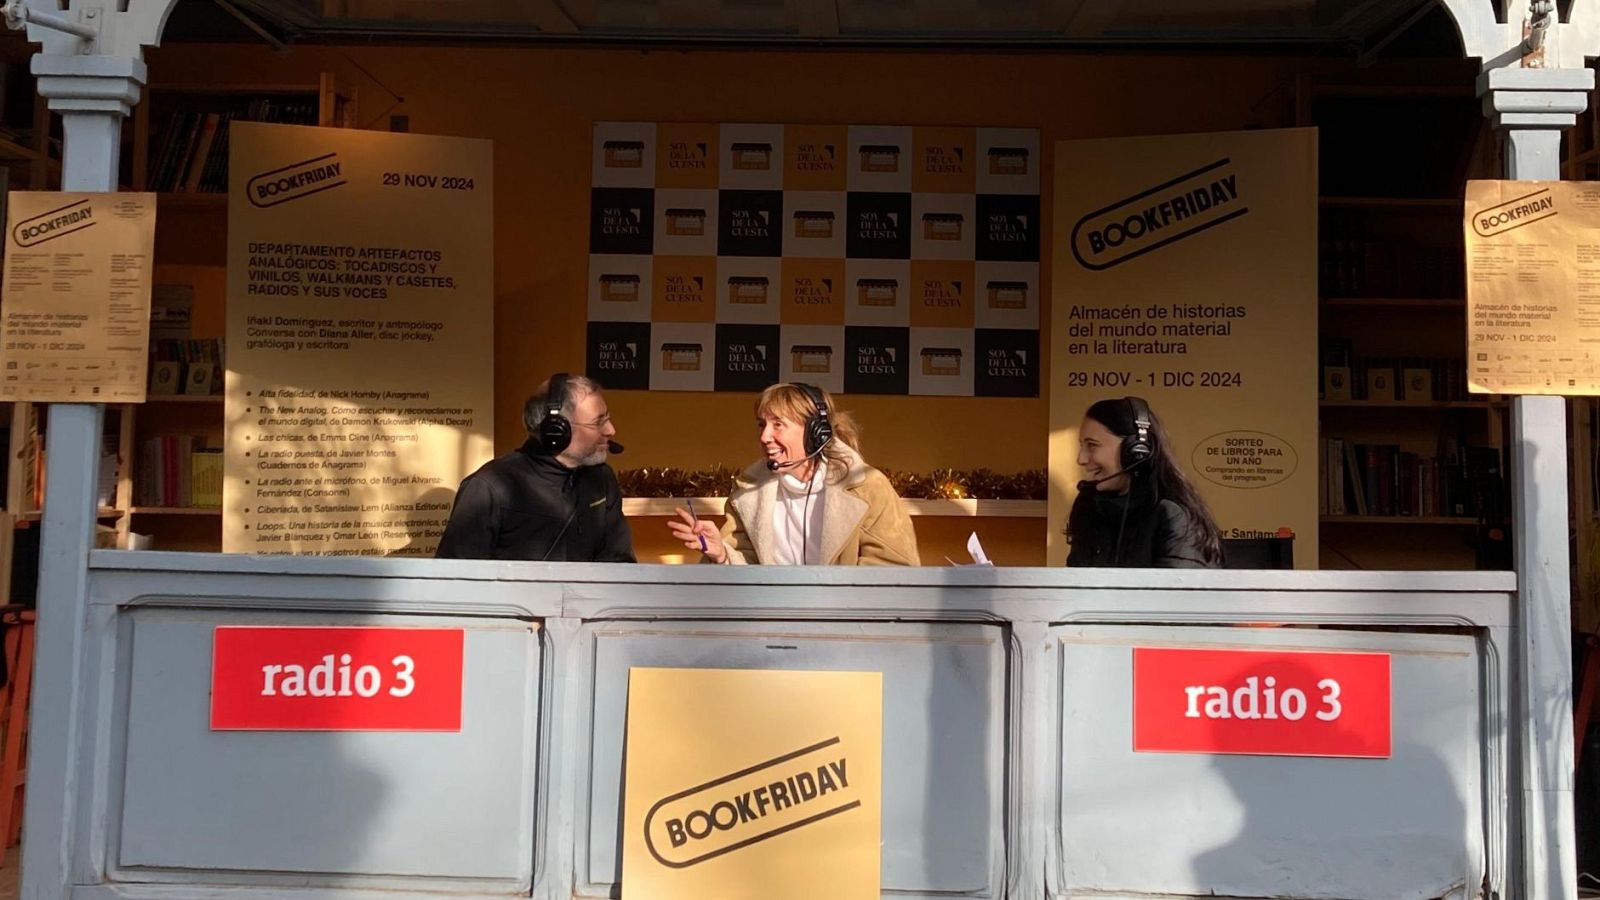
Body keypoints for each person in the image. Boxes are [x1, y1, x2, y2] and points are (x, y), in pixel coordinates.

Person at [668, 383, 918, 566]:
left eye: (778, 424)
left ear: (814, 433)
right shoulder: (748, 491)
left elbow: (894, 569)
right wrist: (722, 555)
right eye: (761, 425)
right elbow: (744, 569)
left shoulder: (867, 487)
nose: (765, 437)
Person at [436, 373, 635, 562]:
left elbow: (619, 562)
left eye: (607, 418)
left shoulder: (601, 479)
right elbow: (456, 581)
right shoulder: (488, 488)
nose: (611, 430)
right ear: (556, 430)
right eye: (598, 422)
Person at [1066, 396, 1222, 568]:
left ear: (1136, 451)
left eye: (1092, 445)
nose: (1081, 459)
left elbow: (1175, 593)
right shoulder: (1090, 507)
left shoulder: (1172, 515)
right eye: (1082, 445)